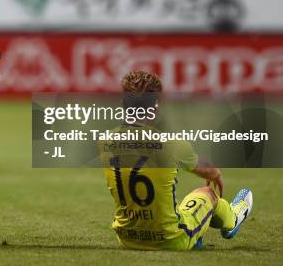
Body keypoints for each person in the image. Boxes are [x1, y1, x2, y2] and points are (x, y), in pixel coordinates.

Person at [99, 70, 253, 250]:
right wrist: (216, 173)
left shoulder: (104, 140)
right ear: (156, 107)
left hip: (127, 238)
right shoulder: (172, 144)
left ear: (123, 104)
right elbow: (206, 169)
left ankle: (196, 236)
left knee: (176, 207)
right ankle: (233, 218)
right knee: (207, 193)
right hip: (171, 240)